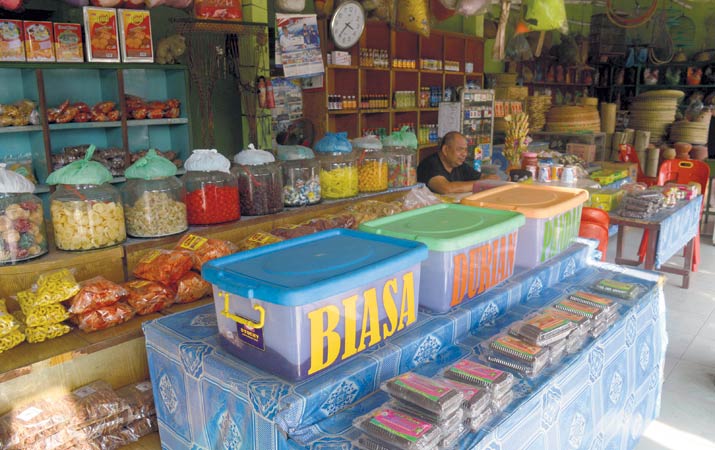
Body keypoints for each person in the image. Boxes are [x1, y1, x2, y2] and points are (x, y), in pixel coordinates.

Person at [417, 131, 481, 194]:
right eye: (460, 149)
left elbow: (482, 177)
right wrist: (481, 184)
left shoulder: (458, 164)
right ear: (445, 150)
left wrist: (488, 180)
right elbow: (446, 188)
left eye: (465, 150)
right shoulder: (429, 165)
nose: (464, 154)